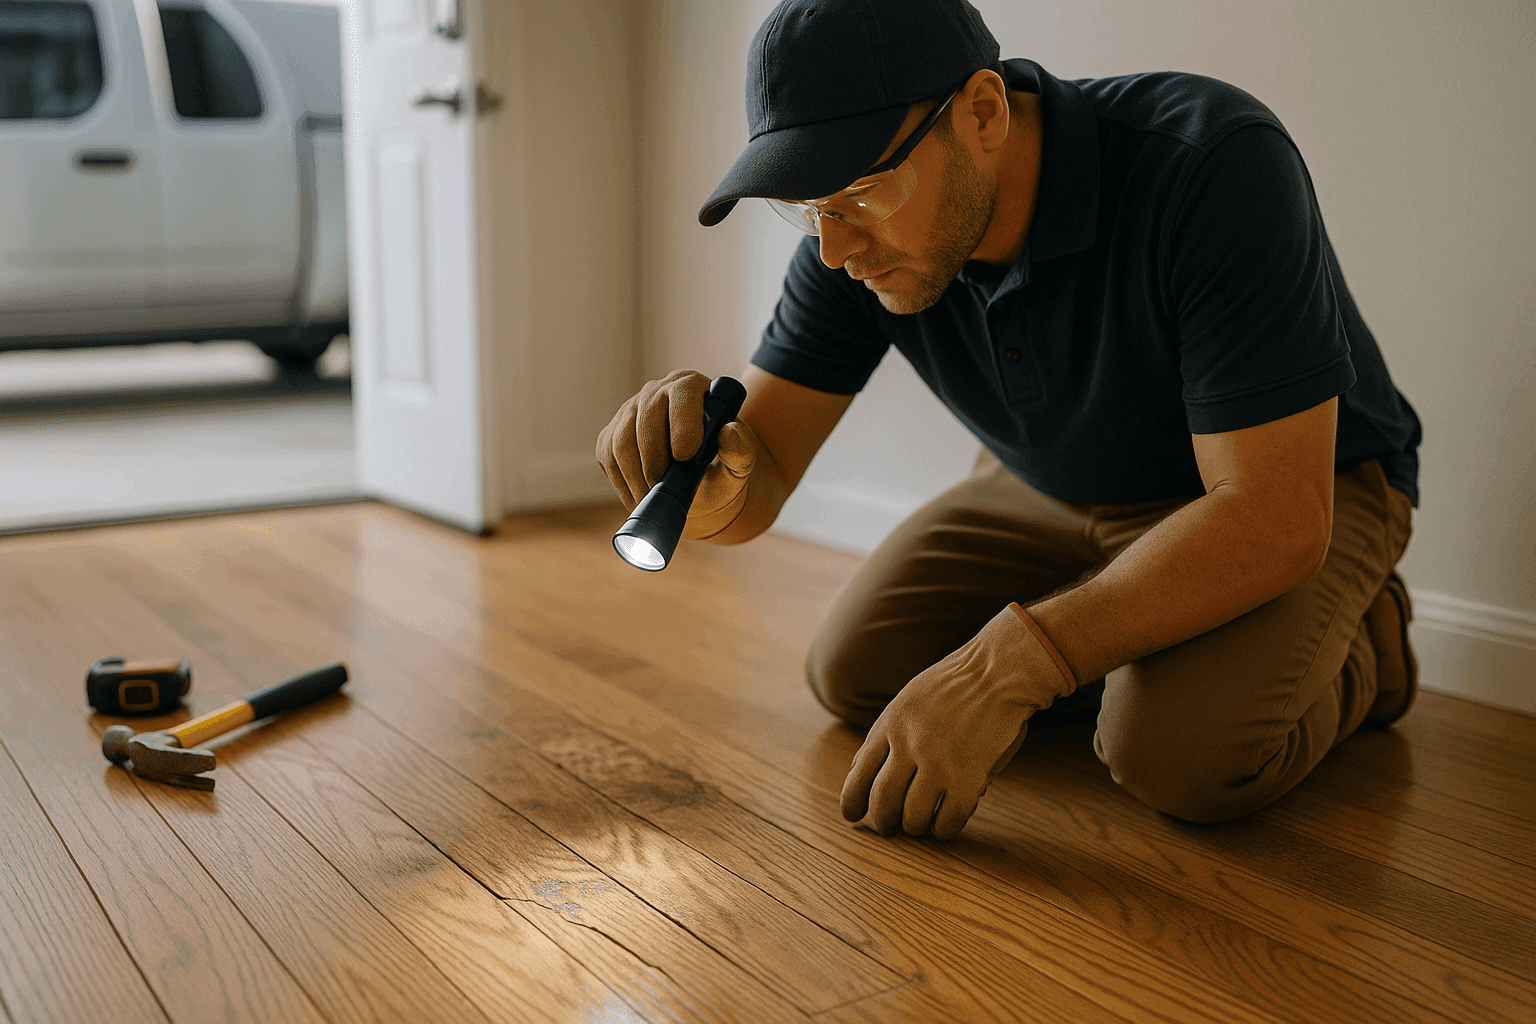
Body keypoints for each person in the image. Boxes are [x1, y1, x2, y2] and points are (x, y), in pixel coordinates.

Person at [596, 0, 1422, 840]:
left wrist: (1013, 665)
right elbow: (761, 472)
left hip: (1284, 488)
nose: (836, 249)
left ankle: (1366, 642)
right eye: (809, 206)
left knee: (1179, 759)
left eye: (858, 192)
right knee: (855, 672)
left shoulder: (1210, 161)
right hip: (1045, 484)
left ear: (982, 111)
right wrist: (707, 486)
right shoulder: (850, 243)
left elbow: (1274, 514)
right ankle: (1136, 638)